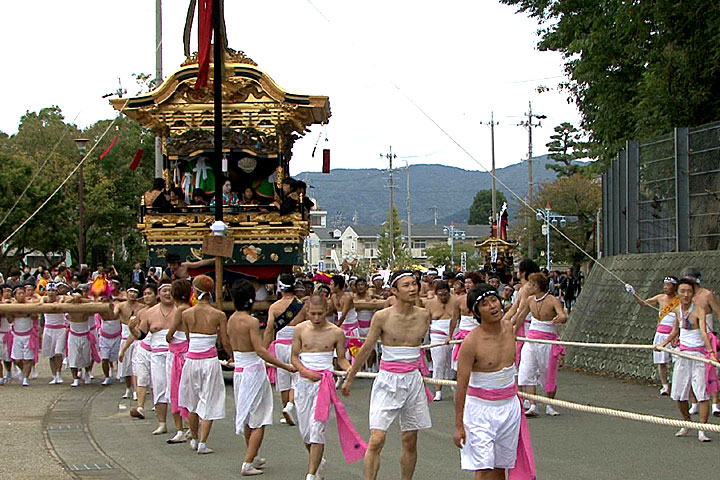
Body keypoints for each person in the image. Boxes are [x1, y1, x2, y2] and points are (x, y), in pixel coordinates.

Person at [342, 269, 432, 480]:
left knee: (410, 439)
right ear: (394, 290)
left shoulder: (424, 315)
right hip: (388, 379)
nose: (412, 289)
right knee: (377, 438)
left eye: (414, 284)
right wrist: (350, 376)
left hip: (413, 379)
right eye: (406, 285)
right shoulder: (382, 316)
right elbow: (366, 348)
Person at [454, 283, 536, 479]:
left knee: (501, 466)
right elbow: (461, 386)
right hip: (480, 411)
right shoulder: (471, 342)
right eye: (484, 304)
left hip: (509, 408)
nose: (492, 306)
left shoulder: (509, 328)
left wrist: (528, 291)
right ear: (476, 312)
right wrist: (459, 425)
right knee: (485, 468)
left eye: (493, 300)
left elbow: (522, 306)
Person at [293, 294, 366, 480]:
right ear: (307, 311)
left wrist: (350, 370)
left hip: (324, 384)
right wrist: (304, 371)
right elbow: (294, 357)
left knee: (317, 428)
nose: (317, 318)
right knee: (306, 432)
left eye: (320, 314)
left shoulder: (336, 332)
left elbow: (341, 359)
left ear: (327, 311)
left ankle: (311, 475)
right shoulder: (300, 329)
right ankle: (316, 462)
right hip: (303, 382)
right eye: (313, 314)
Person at [227, 279, 296, 476]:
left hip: (240, 369)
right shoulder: (251, 321)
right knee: (259, 417)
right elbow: (259, 350)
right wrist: (283, 365)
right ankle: (248, 461)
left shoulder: (231, 319)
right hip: (252, 370)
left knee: (249, 415)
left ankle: (253, 454)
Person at [655, 278, 718, 442]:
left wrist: (710, 352)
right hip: (682, 355)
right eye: (682, 291)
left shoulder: (699, 310)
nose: (686, 294)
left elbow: (704, 333)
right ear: (678, 293)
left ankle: (702, 429)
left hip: (698, 356)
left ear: (693, 294)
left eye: (689, 291)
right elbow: (675, 331)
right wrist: (663, 343)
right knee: (679, 394)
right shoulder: (677, 310)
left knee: (702, 393)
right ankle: (687, 422)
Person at [178, 275, 232, 454]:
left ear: (195, 290)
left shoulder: (186, 314)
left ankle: (194, 438)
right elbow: (224, 341)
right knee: (209, 399)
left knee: (192, 401)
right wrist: (231, 356)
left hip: (192, 359)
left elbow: (187, 337)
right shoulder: (219, 315)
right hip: (209, 360)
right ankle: (202, 442)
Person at [516, 272, 566, 417]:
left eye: (531, 284)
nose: (528, 286)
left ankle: (550, 404)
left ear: (537, 287)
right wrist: (512, 333)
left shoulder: (552, 300)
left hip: (547, 341)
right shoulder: (530, 300)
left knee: (547, 373)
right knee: (527, 369)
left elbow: (562, 315)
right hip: (531, 339)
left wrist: (560, 318)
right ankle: (532, 405)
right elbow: (520, 317)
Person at [262, 273, 306, 425]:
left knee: (283, 377)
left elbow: (269, 330)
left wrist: (264, 350)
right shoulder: (301, 306)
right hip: (297, 343)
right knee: (297, 377)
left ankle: (286, 408)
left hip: (280, 344)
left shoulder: (274, 307)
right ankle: (291, 406)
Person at [627, 276, 679, 395]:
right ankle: (665, 385)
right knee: (661, 362)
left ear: (674, 286)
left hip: (674, 334)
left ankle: (676, 385)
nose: (665, 287)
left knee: (677, 361)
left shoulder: (679, 300)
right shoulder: (660, 297)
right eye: (664, 284)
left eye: (668, 285)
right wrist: (633, 293)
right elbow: (643, 303)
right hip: (660, 333)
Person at [135, 281, 176, 435]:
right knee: (159, 387)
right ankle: (162, 423)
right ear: (159, 294)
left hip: (176, 353)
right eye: (164, 290)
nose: (167, 294)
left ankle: (184, 423)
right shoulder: (150, 313)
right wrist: (133, 328)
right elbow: (141, 335)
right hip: (157, 355)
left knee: (179, 388)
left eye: (170, 290)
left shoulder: (181, 310)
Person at [679, 267, 720, 415]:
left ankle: (715, 403)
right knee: (688, 372)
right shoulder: (685, 298)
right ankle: (694, 401)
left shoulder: (707, 294)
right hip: (689, 339)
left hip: (707, 335)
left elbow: (718, 313)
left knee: (711, 370)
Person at [165, 279, 194, 444]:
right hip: (187, 350)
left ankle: (179, 429)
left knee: (175, 391)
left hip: (177, 351)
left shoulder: (181, 310)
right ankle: (190, 425)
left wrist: (168, 337)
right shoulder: (190, 309)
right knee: (188, 390)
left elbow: (170, 333)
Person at [126, 285, 157, 419]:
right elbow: (137, 334)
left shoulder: (162, 310)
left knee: (157, 380)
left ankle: (159, 403)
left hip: (158, 349)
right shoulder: (141, 312)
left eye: (150, 293)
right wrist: (123, 349)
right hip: (143, 347)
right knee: (142, 378)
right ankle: (140, 407)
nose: (147, 296)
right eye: (145, 294)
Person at [425, 280, 459, 401]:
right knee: (438, 363)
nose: (443, 297)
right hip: (437, 332)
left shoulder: (456, 301)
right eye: (440, 295)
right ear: (436, 294)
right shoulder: (430, 303)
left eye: (445, 294)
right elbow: (426, 320)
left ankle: (452, 384)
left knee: (453, 363)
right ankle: (438, 390)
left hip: (454, 331)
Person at [115, 285, 145, 399]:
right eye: (130, 291)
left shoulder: (142, 307)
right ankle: (128, 388)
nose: (132, 294)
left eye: (135, 292)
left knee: (136, 366)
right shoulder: (121, 306)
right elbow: (113, 314)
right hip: (124, 336)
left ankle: (137, 389)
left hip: (137, 337)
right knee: (125, 366)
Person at [67, 289, 100, 387]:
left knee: (87, 356)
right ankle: (75, 378)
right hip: (73, 334)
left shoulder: (86, 306)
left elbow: (94, 304)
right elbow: (62, 303)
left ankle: (87, 372)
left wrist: (81, 299)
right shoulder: (68, 305)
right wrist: (72, 299)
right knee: (73, 357)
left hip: (85, 334)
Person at [8, 285, 40, 386]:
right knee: (17, 359)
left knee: (28, 358)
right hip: (17, 335)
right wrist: (11, 312)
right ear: (15, 296)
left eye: (23, 293)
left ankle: (26, 378)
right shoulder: (12, 306)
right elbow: (10, 320)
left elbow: (35, 316)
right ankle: (22, 370)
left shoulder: (30, 304)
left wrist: (28, 312)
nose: (22, 295)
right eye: (19, 294)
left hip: (28, 334)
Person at [452, 272, 482, 371]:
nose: (467, 285)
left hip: (478, 333)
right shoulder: (459, 300)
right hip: (463, 333)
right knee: (461, 365)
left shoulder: (483, 299)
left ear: (476, 284)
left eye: (470, 282)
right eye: (465, 283)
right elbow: (454, 319)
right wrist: (449, 336)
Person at [41, 283, 67, 384]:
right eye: (49, 291)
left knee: (58, 353)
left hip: (60, 329)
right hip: (48, 329)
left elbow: (63, 300)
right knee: (51, 354)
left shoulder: (61, 299)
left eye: (53, 291)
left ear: (56, 292)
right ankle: (54, 375)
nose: (51, 293)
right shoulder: (44, 300)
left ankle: (59, 372)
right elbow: (40, 301)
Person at [98, 295, 122, 386]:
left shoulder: (118, 306)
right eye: (104, 301)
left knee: (119, 357)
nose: (106, 303)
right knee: (104, 359)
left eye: (108, 300)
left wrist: (118, 299)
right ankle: (107, 377)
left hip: (117, 337)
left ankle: (120, 373)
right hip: (104, 338)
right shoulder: (100, 308)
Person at [0, 284, 13, 384]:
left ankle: (8, 371)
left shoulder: (8, 304)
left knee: (7, 358)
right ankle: (0, 376)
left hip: (6, 332)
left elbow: (10, 320)